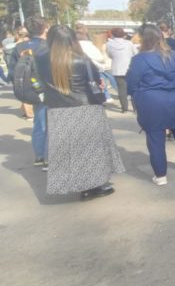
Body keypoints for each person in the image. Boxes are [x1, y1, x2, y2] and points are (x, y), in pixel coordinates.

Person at [36, 25, 124, 199]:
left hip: (58, 110)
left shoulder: (41, 58)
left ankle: (80, 186)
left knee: (70, 151)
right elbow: (94, 83)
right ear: (72, 40)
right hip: (85, 108)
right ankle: (94, 186)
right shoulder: (81, 59)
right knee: (90, 150)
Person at [126, 24, 175, 186]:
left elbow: (131, 83)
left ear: (143, 39)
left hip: (151, 102)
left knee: (155, 138)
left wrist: (136, 95)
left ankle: (161, 176)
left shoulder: (139, 59)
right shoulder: (174, 55)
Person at [13, 18, 49, 166]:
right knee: (46, 122)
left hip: (28, 88)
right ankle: (47, 155)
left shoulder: (19, 47)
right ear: (45, 28)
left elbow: (12, 71)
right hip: (47, 88)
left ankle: (39, 155)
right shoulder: (48, 46)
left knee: (39, 122)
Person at [106, 27, 137, 113]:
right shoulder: (129, 43)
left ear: (112, 34)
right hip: (129, 68)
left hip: (117, 69)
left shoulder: (109, 44)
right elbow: (135, 54)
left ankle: (124, 108)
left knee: (121, 89)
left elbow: (109, 55)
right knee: (133, 88)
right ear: (123, 34)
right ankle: (135, 108)